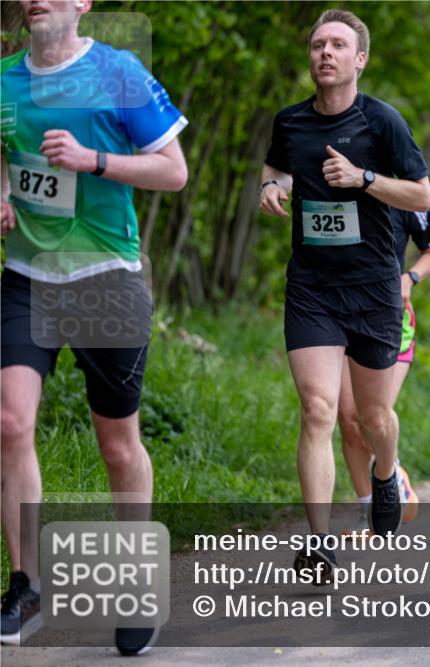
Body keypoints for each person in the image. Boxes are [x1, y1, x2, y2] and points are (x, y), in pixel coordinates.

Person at [0, 0, 188, 653]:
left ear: (82, 3)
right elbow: (5, 156)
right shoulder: (5, 81)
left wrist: (94, 160)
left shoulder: (119, 72)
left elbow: (174, 169)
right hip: (28, 278)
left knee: (117, 444)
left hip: (106, 278)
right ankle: (25, 584)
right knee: (9, 421)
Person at [259, 9, 430, 579]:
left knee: (375, 416)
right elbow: (278, 167)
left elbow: (422, 198)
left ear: (359, 59)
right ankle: (320, 543)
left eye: (337, 45)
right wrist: (271, 187)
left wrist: (363, 179)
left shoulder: (382, 122)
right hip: (312, 287)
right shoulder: (290, 122)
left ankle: (386, 474)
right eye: (316, 45)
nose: (324, 53)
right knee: (317, 411)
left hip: (375, 288)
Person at [338, 206, 430, 536]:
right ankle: (367, 509)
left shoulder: (401, 193)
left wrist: (409, 277)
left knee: (372, 414)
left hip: (389, 317)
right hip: (336, 311)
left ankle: (390, 474)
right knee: (347, 417)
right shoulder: (332, 187)